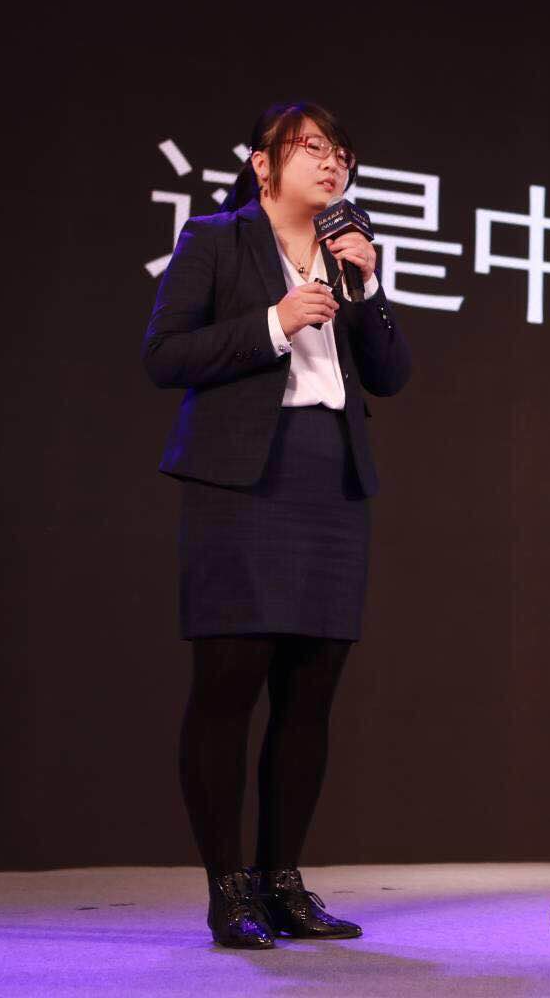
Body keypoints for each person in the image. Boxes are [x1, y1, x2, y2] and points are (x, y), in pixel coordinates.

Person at [141, 100, 413, 949]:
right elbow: (164, 354)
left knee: (311, 693)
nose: (333, 164)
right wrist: (274, 322)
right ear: (263, 165)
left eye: (341, 153)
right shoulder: (215, 240)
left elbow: (391, 374)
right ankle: (229, 889)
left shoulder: (349, 249)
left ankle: (283, 880)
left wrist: (368, 286)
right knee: (230, 686)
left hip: (331, 481)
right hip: (242, 480)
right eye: (313, 148)